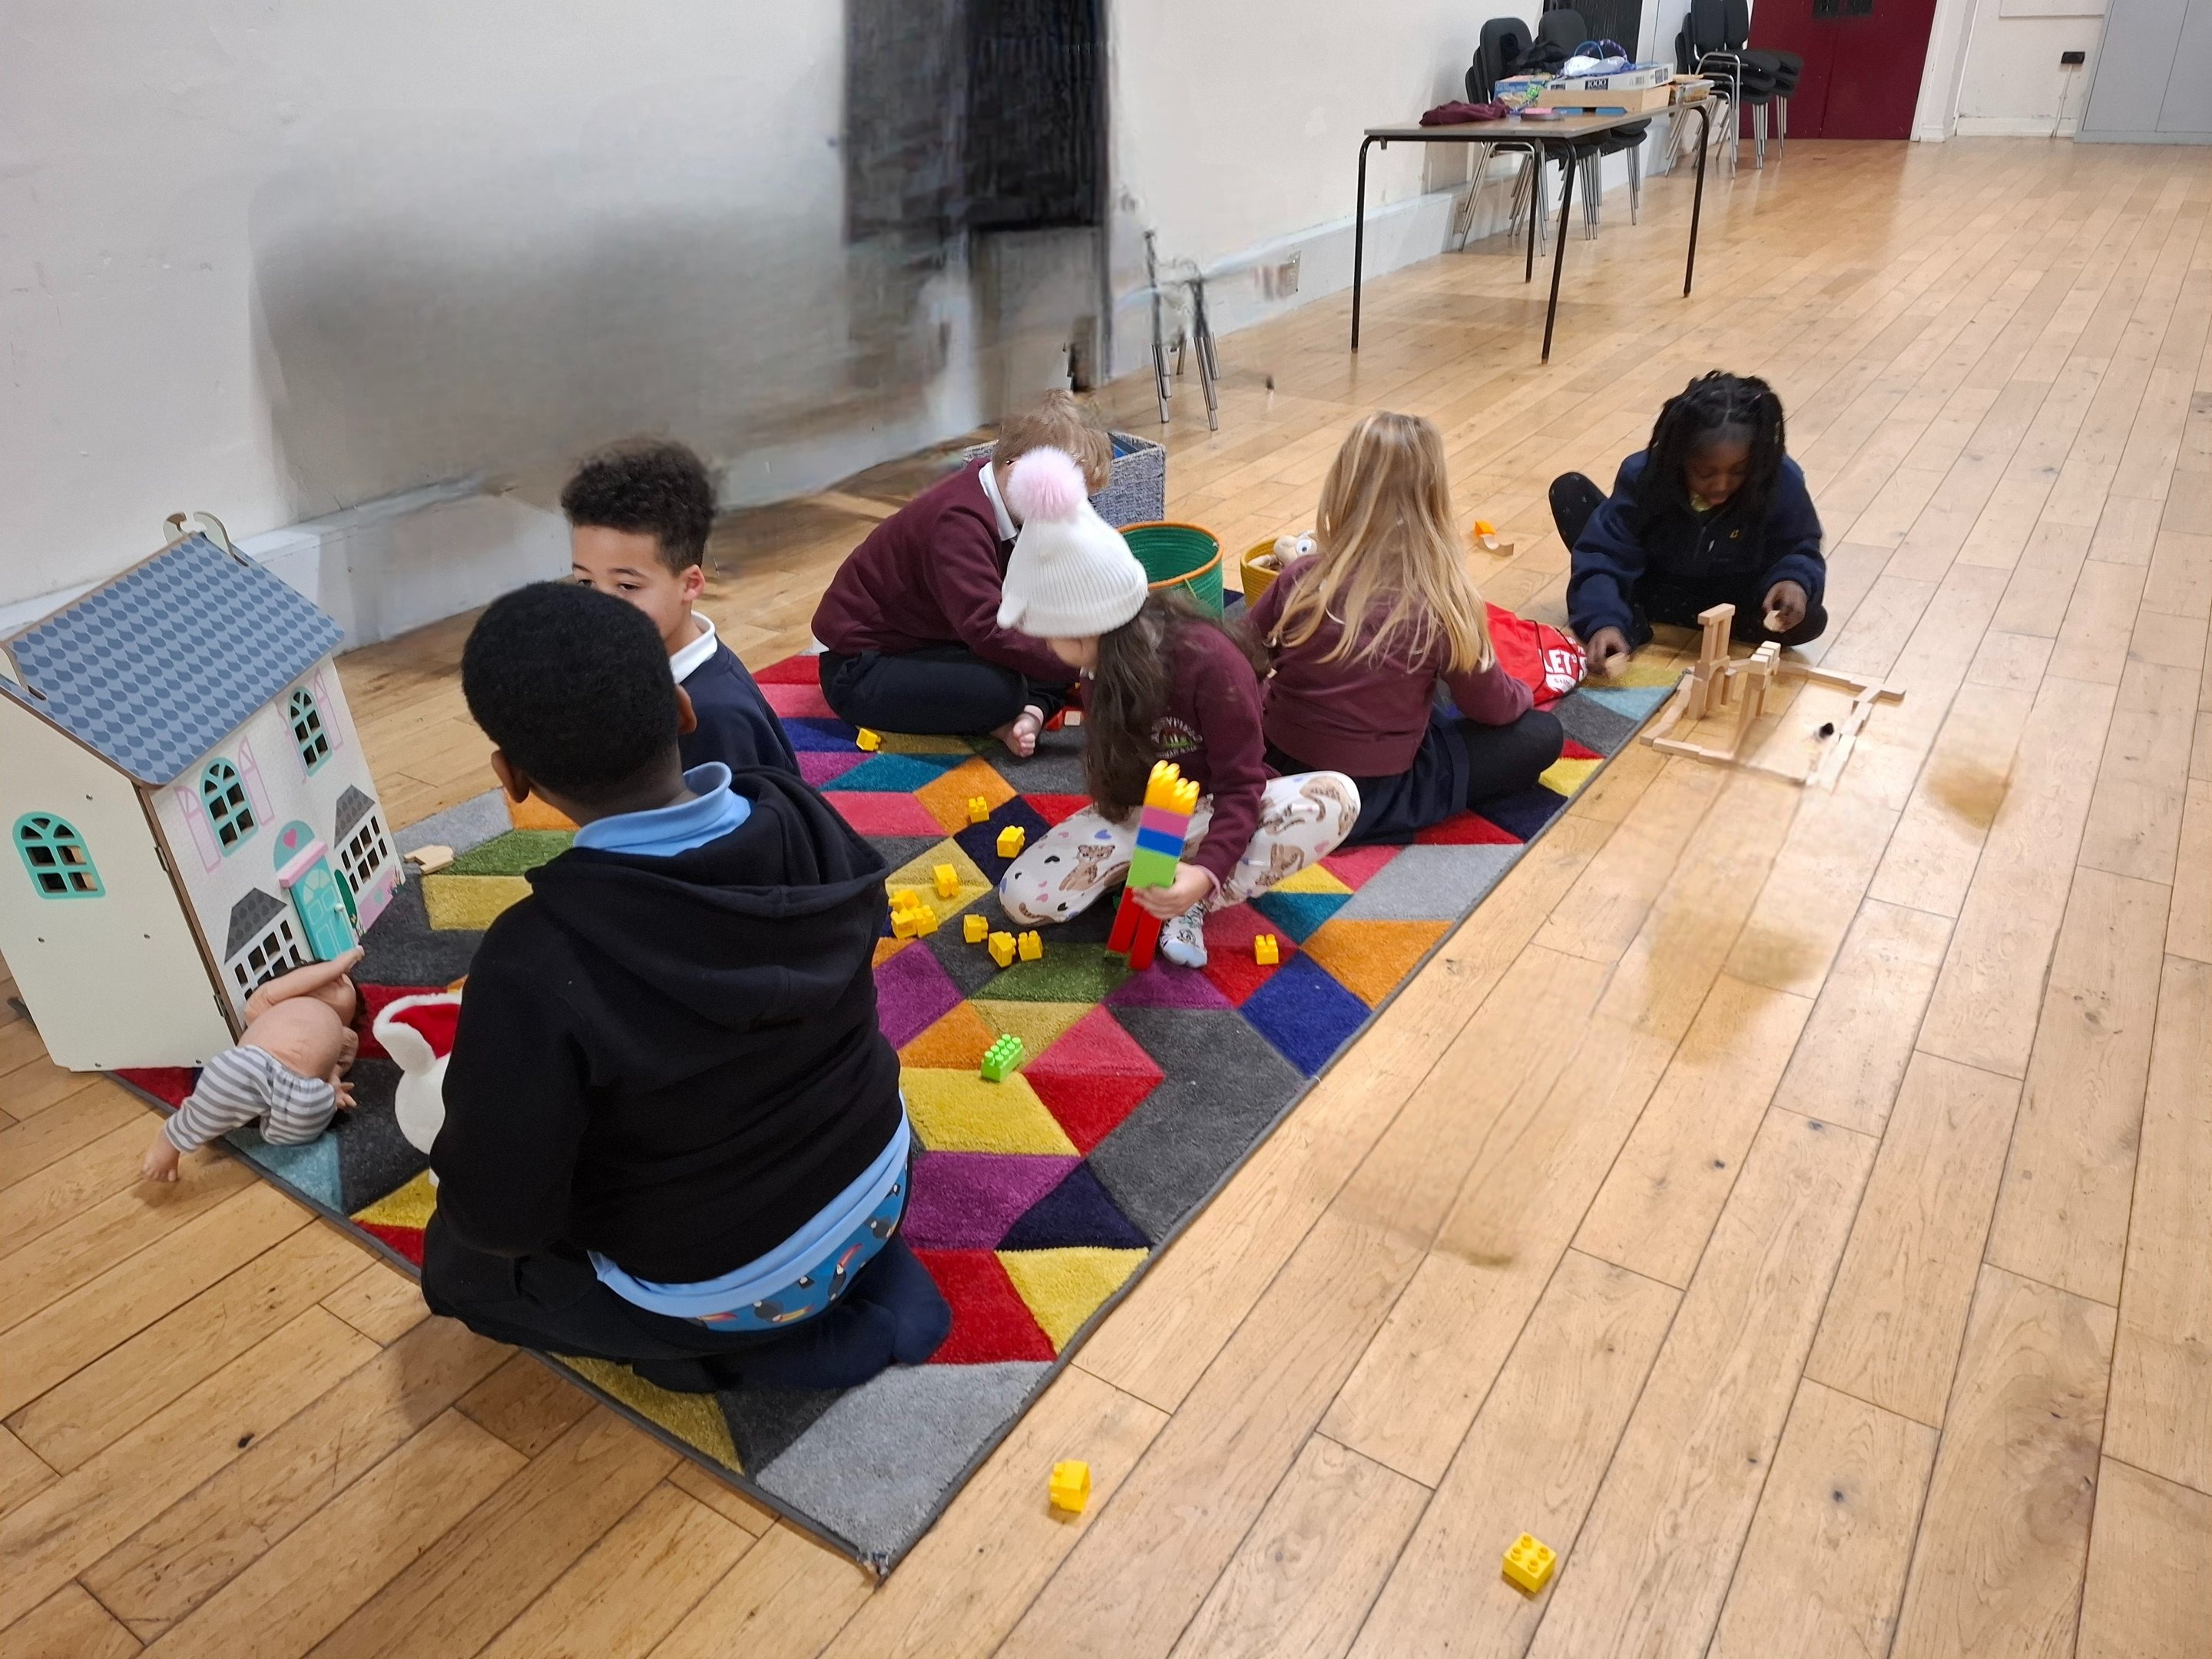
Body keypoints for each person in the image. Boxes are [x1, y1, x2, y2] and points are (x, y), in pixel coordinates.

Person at [422, 582, 948, 1392]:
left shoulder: (532, 956)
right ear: (683, 708)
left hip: (723, 1288)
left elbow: (502, 1217)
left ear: (511, 776)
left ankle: (757, 1349)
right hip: (881, 1183)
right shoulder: (802, 811)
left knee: (458, 1267)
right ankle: (852, 1285)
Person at [989, 448, 1359, 969]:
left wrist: (1203, 875)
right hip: (1144, 818)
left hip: (1218, 808)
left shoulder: (1210, 665)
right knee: (1022, 897)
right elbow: (1118, 790)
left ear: (1086, 626)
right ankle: (1148, 885)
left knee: (1335, 798)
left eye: (1053, 638)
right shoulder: (1099, 666)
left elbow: (1242, 786)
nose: (1050, 651)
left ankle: (1191, 901)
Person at [1247, 412, 1565, 843]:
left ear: (1342, 489)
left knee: (1427, 687)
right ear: (1434, 499)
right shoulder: (1443, 599)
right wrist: (1522, 693)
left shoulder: (1300, 576)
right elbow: (1491, 707)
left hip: (1282, 769)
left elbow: (1238, 656)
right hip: (1373, 796)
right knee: (1542, 735)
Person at [810, 392, 1108, 757]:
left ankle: (1030, 711)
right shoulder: (958, 523)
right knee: (1002, 688)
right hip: (862, 667)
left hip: (939, 639)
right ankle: (1005, 715)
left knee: (1052, 642)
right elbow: (986, 627)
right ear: (1016, 469)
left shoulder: (1009, 503)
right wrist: (1082, 660)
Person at [1556, 372, 1827, 677]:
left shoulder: (1779, 479)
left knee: (1809, 620)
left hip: (1733, 594)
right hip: (1658, 581)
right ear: (1679, 458)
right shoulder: (1645, 476)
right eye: (1705, 473)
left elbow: (1799, 544)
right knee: (1571, 493)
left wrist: (1792, 581)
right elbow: (1605, 552)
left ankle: (1642, 615)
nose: (1721, 485)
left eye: (1739, 471)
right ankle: (1620, 618)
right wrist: (1602, 621)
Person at [564, 439, 799, 777]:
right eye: (585, 583)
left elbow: (746, 828)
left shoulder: (713, 716)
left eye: (627, 587)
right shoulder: (638, 662)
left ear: (690, 584)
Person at [141, 949, 363, 1182]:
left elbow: (335, 1068)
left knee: (315, 1111)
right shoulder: (274, 1001)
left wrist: (332, 1090)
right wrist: (336, 965)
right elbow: (294, 984)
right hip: (257, 1066)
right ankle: (173, 1137)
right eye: (330, 977)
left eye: (343, 983)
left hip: (302, 1088)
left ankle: (274, 1129)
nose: (337, 979)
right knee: (225, 1081)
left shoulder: (344, 1034)